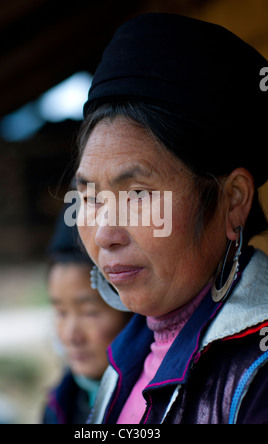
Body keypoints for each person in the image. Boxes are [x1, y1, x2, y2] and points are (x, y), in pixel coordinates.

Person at [73, 13, 268, 424]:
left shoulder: (258, 378)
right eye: (89, 196)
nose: (105, 234)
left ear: (234, 200)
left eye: (139, 194)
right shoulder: (125, 356)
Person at [43, 205, 131, 424]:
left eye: (89, 312)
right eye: (61, 313)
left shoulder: (150, 409)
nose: (72, 336)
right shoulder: (58, 406)